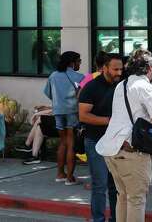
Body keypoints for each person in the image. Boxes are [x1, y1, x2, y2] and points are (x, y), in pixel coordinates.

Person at [96, 49, 152, 222]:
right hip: (132, 153)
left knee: (123, 196)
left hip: (112, 149)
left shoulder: (122, 85)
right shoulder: (146, 88)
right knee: (136, 200)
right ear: (150, 68)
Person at [78, 53, 123, 222]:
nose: (119, 72)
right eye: (115, 69)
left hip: (116, 143)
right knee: (100, 185)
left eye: (121, 69)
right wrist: (108, 121)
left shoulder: (121, 86)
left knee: (115, 186)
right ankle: (98, 219)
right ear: (104, 68)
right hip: (95, 142)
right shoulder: (91, 87)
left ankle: (115, 218)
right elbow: (83, 115)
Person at [43, 51, 85, 184]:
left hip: (57, 111)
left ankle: (60, 174)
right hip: (72, 111)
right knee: (71, 143)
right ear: (72, 63)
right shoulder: (80, 77)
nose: (80, 63)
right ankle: (70, 178)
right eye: (79, 61)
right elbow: (83, 97)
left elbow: (48, 93)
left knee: (62, 142)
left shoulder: (53, 76)